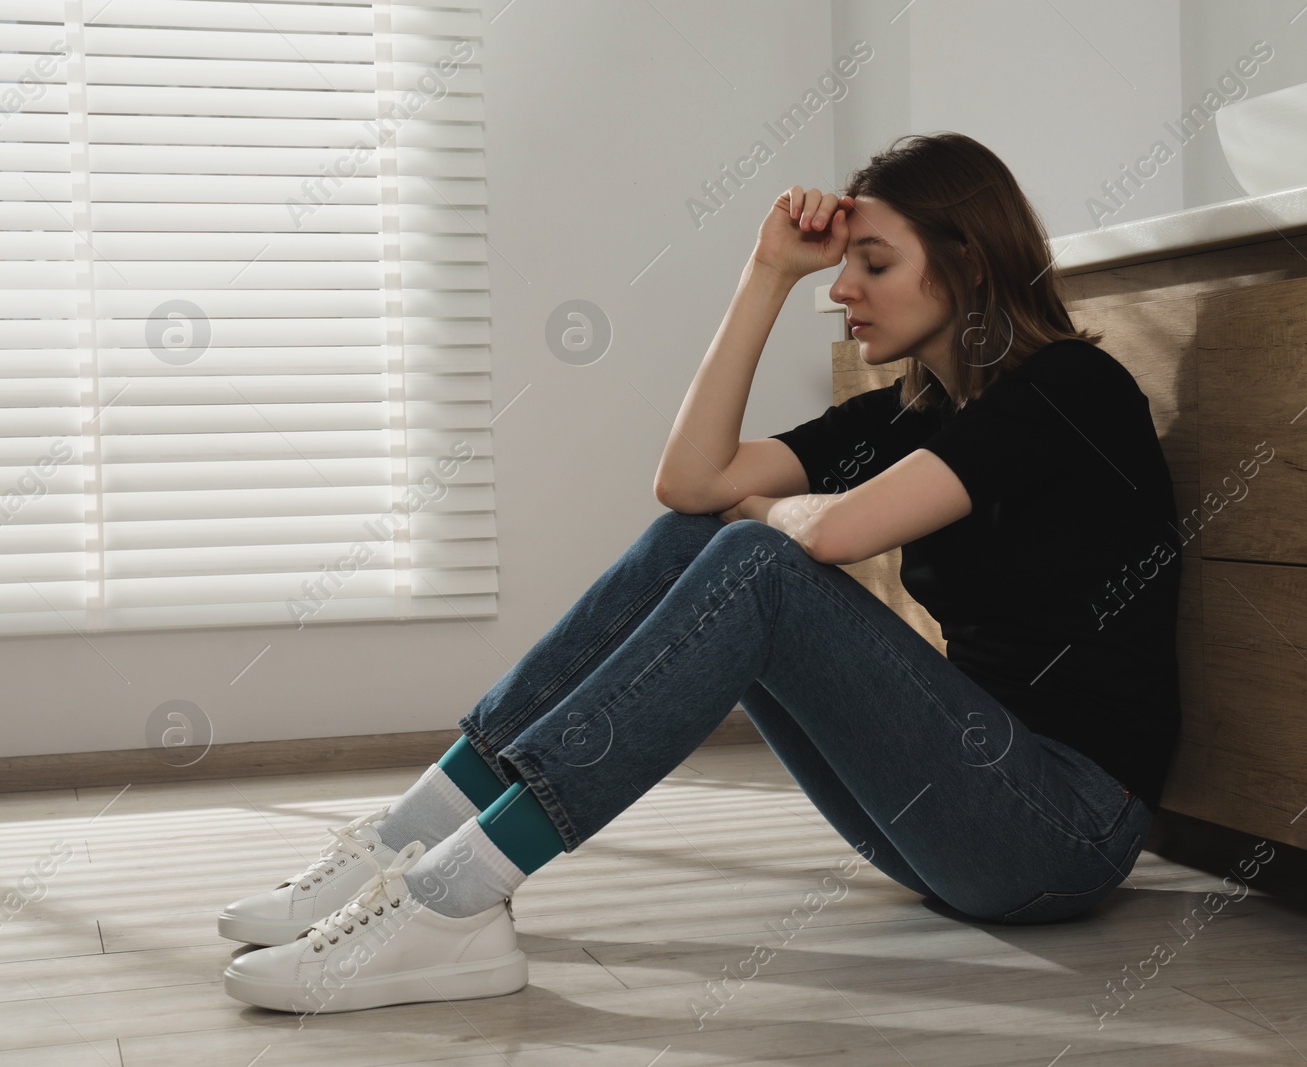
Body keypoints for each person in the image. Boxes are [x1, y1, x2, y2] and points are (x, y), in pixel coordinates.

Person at [218, 131, 1183, 1015]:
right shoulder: (908, 414)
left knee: (753, 557)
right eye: (844, 266)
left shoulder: (1072, 392)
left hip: (1063, 827)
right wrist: (766, 271)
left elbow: (837, 532)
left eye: (874, 263)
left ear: (968, 261)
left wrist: (759, 515)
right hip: (953, 817)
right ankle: (411, 837)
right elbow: (689, 481)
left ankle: (453, 901)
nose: (843, 289)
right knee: (700, 537)